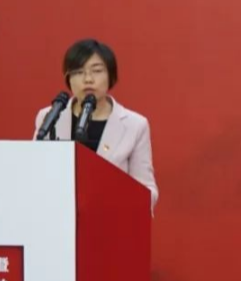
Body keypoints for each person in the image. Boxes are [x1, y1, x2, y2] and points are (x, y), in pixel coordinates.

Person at [34, 38, 158, 211]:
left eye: (97, 71)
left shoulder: (135, 125)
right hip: (57, 216)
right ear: (68, 78)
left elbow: (147, 190)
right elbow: (35, 174)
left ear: (110, 75)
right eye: (78, 72)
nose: (88, 79)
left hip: (110, 217)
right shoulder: (50, 117)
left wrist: (117, 198)